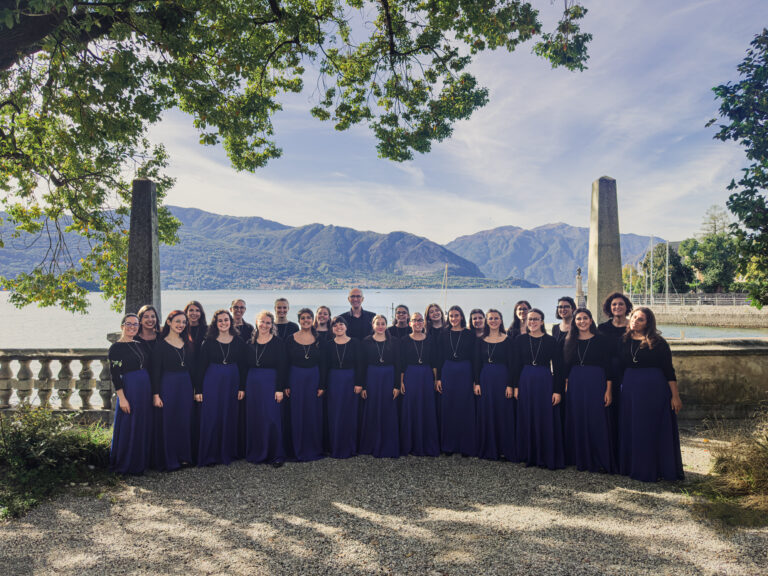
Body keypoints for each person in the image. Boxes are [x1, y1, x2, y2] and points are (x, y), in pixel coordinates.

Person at [618, 307, 684, 482]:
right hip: (630, 389)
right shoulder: (623, 340)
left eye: (640, 319)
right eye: (634, 317)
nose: (635, 321)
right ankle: (634, 466)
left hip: (653, 389)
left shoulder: (658, 342)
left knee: (650, 428)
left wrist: (675, 396)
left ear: (648, 323)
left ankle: (655, 468)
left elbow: (669, 371)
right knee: (633, 427)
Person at [563, 308, 615, 473]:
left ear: (591, 321)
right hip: (576, 382)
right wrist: (565, 385)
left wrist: (608, 390)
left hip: (596, 381)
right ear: (574, 322)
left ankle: (599, 458)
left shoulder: (601, 340)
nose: (582, 321)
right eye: (578, 319)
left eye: (585, 318)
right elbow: (565, 366)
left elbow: (608, 366)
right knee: (577, 418)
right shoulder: (569, 340)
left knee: (596, 419)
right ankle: (578, 457)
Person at [513, 308, 565, 469]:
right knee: (527, 416)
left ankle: (545, 454)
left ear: (542, 321)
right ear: (526, 321)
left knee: (544, 417)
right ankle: (528, 454)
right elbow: (515, 366)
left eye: (536, 319)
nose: (532, 322)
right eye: (530, 319)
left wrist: (557, 390)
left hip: (544, 380)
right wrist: (515, 386)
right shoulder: (520, 340)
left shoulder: (551, 341)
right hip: (525, 379)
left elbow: (558, 368)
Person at [196, 309, 246, 466]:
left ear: (230, 322)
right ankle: (210, 454)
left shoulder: (238, 341)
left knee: (229, 415)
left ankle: (228, 452)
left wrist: (242, 387)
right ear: (215, 323)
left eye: (226, 320)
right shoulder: (208, 342)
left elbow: (244, 366)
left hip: (233, 380)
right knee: (212, 416)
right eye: (220, 320)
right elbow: (201, 367)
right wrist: (198, 390)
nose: (223, 323)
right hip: (212, 380)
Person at [151, 310, 195, 471]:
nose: (181, 325)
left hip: (185, 383)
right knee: (169, 421)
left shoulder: (188, 342)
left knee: (184, 420)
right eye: (177, 321)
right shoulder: (160, 344)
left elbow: (192, 368)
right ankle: (170, 459)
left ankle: (184, 457)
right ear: (169, 322)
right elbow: (156, 370)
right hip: (168, 384)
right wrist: (156, 394)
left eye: (184, 322)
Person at [108, 314, 152, 474]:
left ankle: (140, 461)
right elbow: (114, 374)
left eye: (135, 324)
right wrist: (122, 398)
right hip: (130, 387)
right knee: (129, 424)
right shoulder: (116, 348)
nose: (132, 327)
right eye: (129, 324)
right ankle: (126, 463)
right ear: (122, 326)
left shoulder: (139, 344)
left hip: (144, 387)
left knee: (142, 423)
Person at [243, 311, 287, 467]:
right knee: (256, 418)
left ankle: (275, 455)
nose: (265, 325)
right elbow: (244, 367)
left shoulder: (278, 343)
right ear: (256, 322)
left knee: (271, 418)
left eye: (268, 323)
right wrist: (243, 387)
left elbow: (282, 367)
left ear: (272, 325)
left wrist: (279, 389)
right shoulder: (249, 343)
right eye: (262, 322)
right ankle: (257, 452)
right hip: (253, 382)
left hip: (271, 382)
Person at [435, 305, 477, 457]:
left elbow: (474, 358)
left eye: (457, 315)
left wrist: (475, 380)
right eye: (451, 316)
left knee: (465, 407)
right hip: (448, 371)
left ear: (462, 317)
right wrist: (438, 378)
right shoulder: (443, 334)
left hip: (466, 371)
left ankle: (466, 446)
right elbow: (439, 357)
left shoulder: (469, 334)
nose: (454, 318)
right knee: (449, 407)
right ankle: (449, 445)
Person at [474, 309, 516, 461]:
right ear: (487, 321)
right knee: (487, 412)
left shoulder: (508, 340)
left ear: (501, 320)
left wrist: (510, 385)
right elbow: (477, 363)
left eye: (496, 318)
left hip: (502, 378)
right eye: (490, 318)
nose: (493, 320)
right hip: (485, 378)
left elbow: (513, 364)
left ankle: (504, 448)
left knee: (503, 413)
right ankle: (489, 448)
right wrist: (477, 383)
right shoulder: (480, 340)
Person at [285, 308, 326, 461]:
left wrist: (322, 385)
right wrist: (286, 384)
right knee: (296, 413)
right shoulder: (290, 338)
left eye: (309, 317)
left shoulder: (320, 339)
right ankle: (296, 448)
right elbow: (286, 363)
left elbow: (323, 363)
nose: (306, 320)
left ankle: (313, 447)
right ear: (299, 320)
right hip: (295, 377)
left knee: (313, 413)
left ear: (312, 319)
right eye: (303, 318)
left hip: (314, 377)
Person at [399, 312, 440, 457]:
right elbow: (401, 363)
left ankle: (426, 443)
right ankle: (410, 444)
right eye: (414, 320)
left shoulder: (430, 339)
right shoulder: (404, 340)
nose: (417, 323)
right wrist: (401, 381)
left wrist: (436, 380)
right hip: (410, 375)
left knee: (426, 408)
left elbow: (435, 361)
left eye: (420, 320)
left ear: (424, 323)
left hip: (426, 375)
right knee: (410, 408)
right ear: (410, 323)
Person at [359, 315, 401, 458]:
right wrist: (363, 386)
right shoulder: (366, 342)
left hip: (388, 377)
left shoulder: (394, 342)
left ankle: (388, 444)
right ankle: (371, 444)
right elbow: (362, 365)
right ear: (373, 325)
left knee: (388, 409)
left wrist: (396, 385)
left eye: (383, 323)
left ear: (386, 325)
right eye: (378, 323)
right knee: (372, 409)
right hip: (372, 377)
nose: (381, 326)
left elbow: (398, 364)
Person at [597, 291, 633, 456]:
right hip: (607, 374)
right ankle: (610, 452)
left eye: (620, 304)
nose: (617, 307)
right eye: (614, 305)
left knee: (628, 412)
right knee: (609, 412)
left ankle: (627, 450)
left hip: (629, 374)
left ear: (626, 307)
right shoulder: (602, 328)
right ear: (609, 308)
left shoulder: (633, 327)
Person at [325, 316, 364, 458]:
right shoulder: (328, 344)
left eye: (341, 324)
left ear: (346, 327)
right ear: (332, 328)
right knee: (335, 414)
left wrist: (359, 383)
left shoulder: (355, 343)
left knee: (350, 413)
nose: (339, 327)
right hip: (334, 380)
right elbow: (325, 366)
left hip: (350, 380)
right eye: (335, 325)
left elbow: (360, 364)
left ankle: (350, 446)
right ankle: (335, 446)